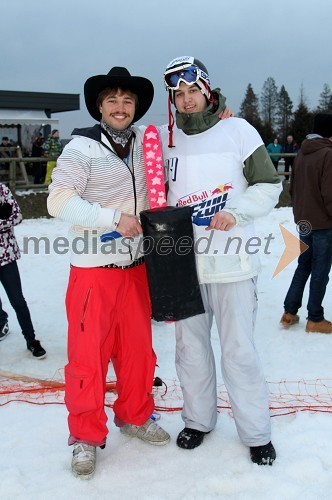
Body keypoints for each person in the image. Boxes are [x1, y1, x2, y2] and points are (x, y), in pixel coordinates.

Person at [47, 66, 170, 480]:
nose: (120, 107)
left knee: (138, 354)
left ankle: (135, 415)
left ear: (136, 107)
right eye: (112, 100)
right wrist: (112, 217)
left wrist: (219, 116)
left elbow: (184, 147)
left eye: (127, 100)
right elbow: (58, 202)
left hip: (136, 270)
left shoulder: (144, 146)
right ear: (100, 106)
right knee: (88, 358)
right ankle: (85, 436)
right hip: (93, 272)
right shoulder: (81, 149)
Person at [161, 56, 282, 465]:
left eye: (192, 90)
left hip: (232, 261)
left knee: (239, 351)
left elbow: (268, 184)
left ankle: (256, 431)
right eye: (178, 93)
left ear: (208, 90)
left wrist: (238, 212)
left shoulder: (238, 130)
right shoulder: (163, 137)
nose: (186, 99)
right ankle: (197, 419)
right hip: (184, 265)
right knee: (189, 349)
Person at [280, 113, 332, 333]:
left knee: (304, 266)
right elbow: (330, 194)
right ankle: (315, 318)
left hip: (304, 222)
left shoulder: (302, 153)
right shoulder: (328, 155)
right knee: (320, 269)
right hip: (323, 223)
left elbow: (293, 188)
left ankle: (290, 312)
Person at [0, 182, 46, 358]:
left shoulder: (2, 189)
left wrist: (5, 219)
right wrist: (4, 219)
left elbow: (17, 217)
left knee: (18, 300)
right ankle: (1, 324)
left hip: (7, 257)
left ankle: (31, 340)